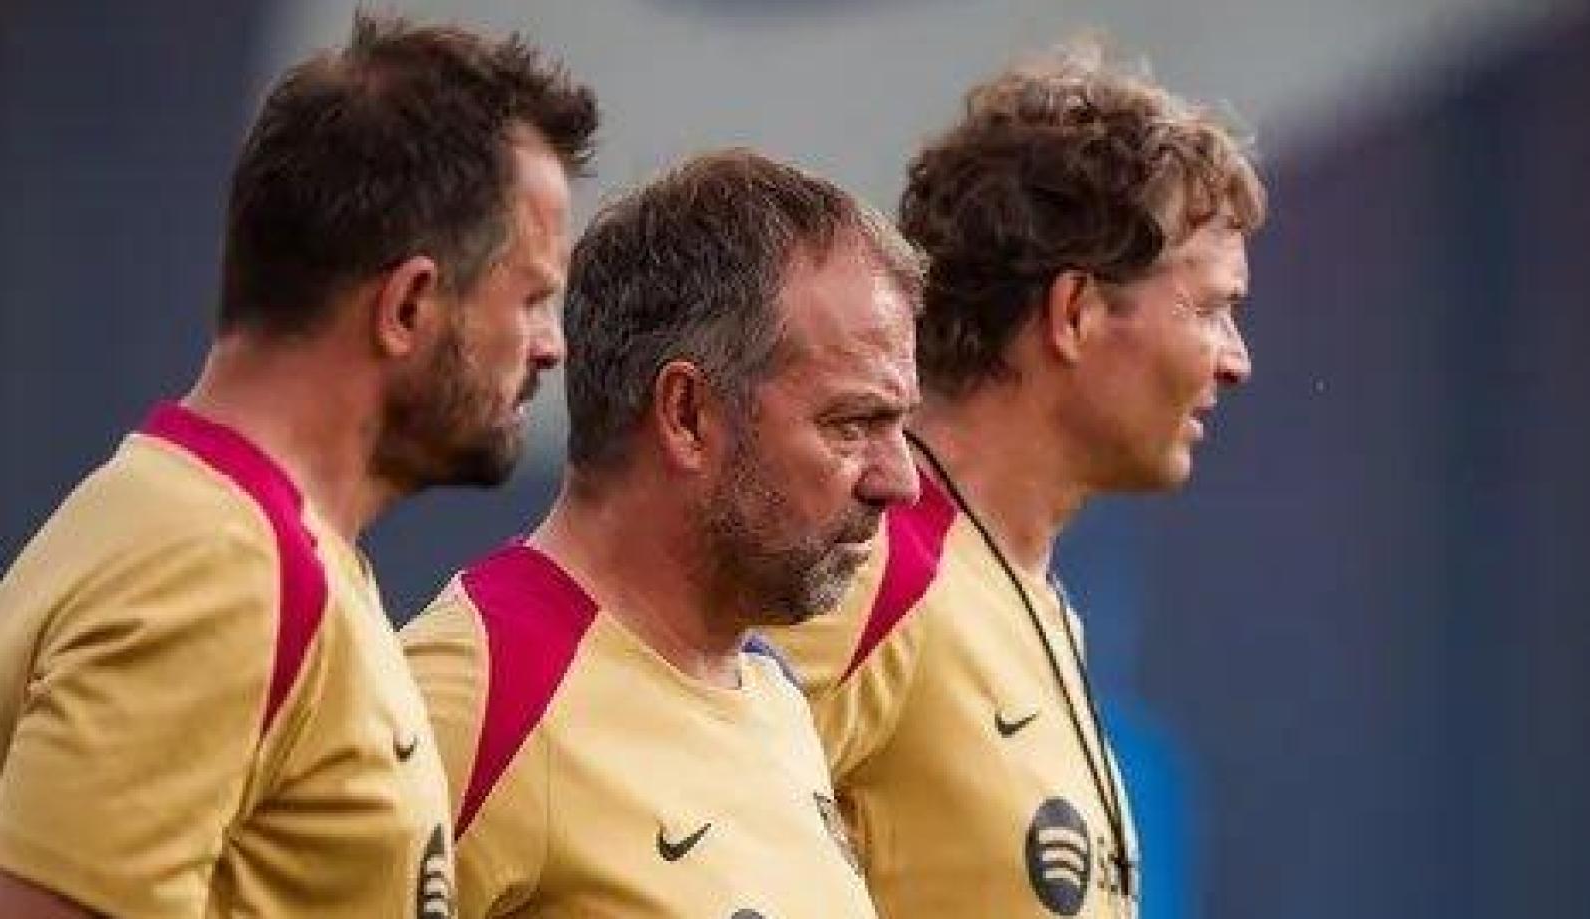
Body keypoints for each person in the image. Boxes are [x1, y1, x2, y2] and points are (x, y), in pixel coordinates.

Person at [0, 14, 596, 917]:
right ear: (410, 303)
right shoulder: (220, 568)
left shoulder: (231, 541)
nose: (551, 345)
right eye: (532, 297)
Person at [763, 51, 1266, 918]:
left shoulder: (1027, 595)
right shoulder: (873, 563)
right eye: (1210, 308)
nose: (1236, 360)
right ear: (1075, 314)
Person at [401, 150, 923, 918]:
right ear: (686, 414)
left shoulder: (772, 690)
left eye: (901, 424)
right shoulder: (475, 690)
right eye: (852, 424)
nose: (901, 479)